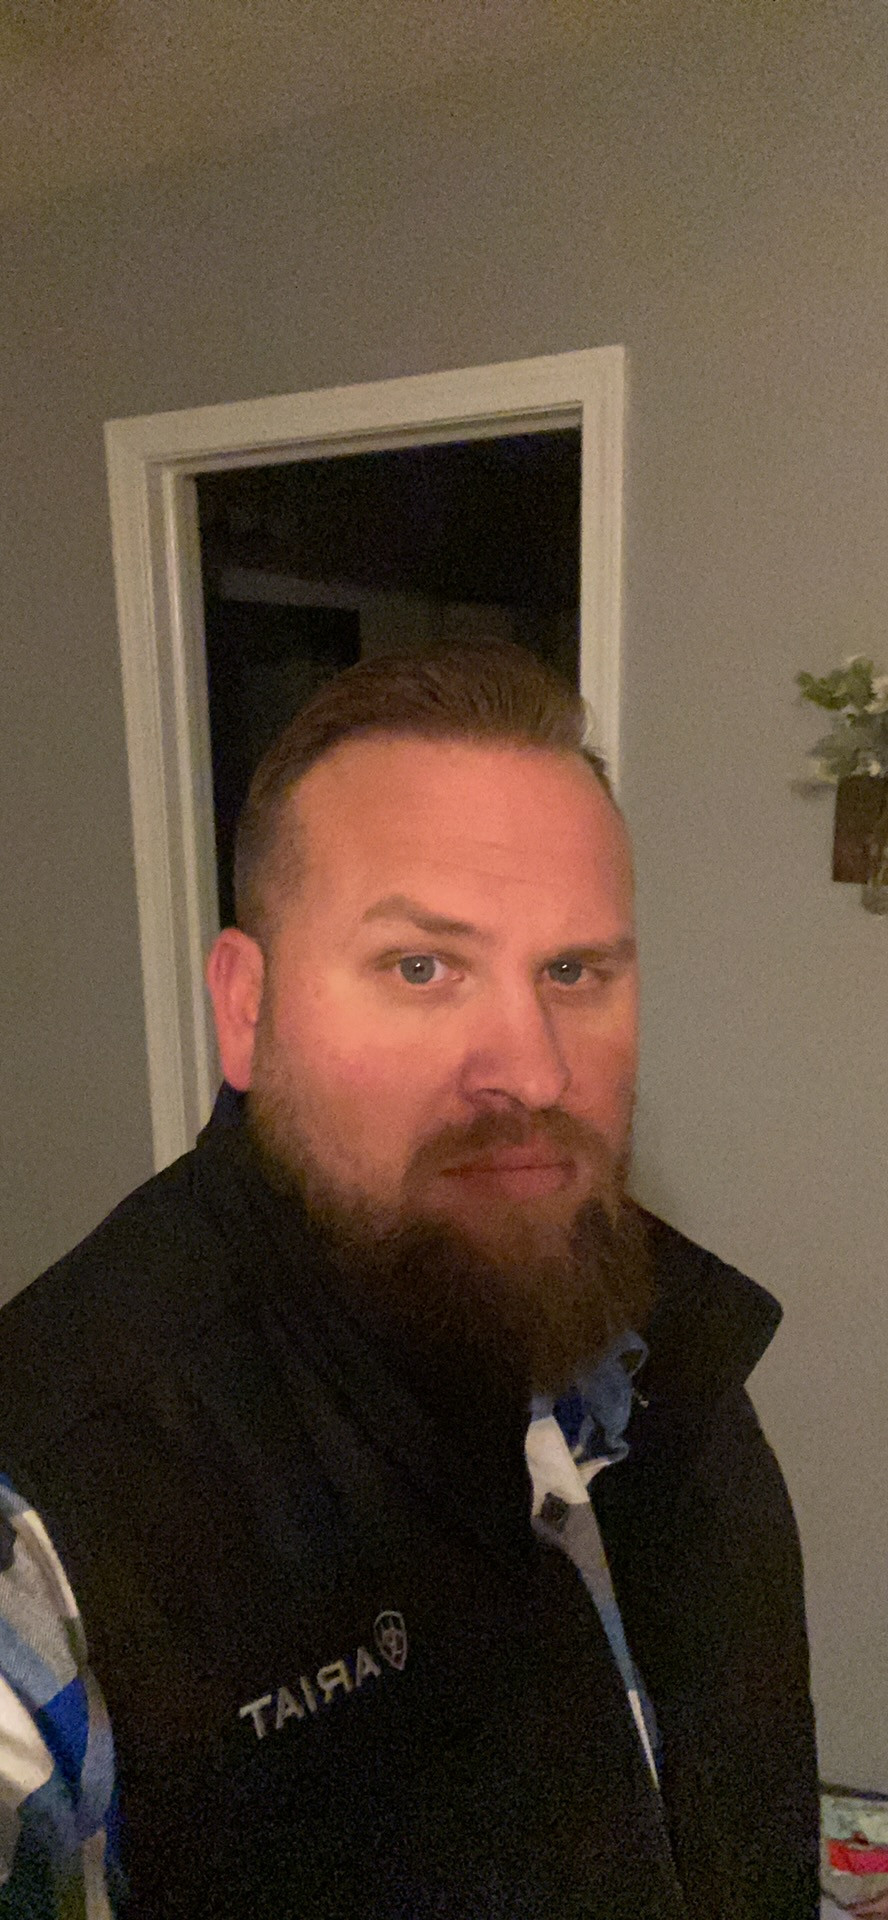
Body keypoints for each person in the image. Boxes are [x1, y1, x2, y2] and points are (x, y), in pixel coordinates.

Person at [0, 642, 820, 1917]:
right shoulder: (50, 1528)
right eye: (421, 967)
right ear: (246, 1006)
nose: (533, 1072)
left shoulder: (664, 1361)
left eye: (574, 972)